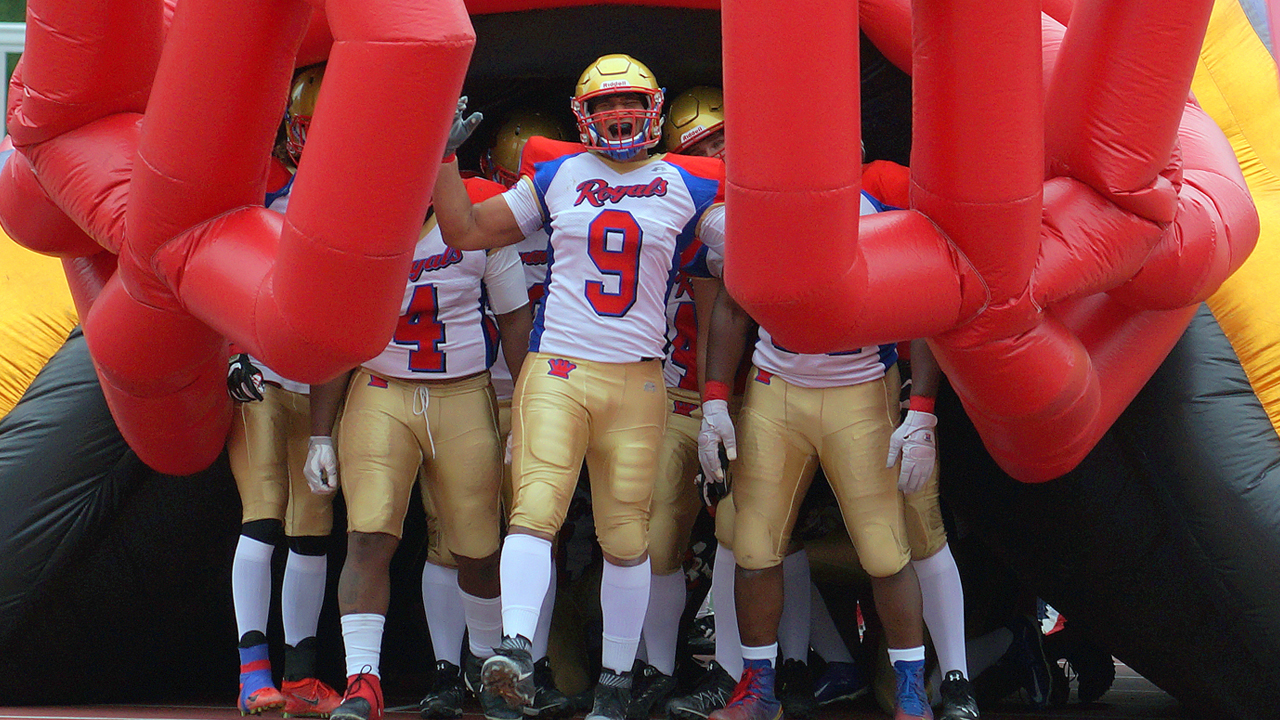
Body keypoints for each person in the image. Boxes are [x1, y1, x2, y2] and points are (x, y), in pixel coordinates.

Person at [430, 54, 726, 720]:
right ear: (581, 115)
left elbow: (749, 259)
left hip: (638, 379)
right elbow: (464, 230)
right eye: (603, 105)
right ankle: (515, 647)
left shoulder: (689, 181)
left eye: (629, 103)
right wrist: (443, 161)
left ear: (653, 110)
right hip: (558, 367)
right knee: (534, 509)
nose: (617, 115)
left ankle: (616, 682)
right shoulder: (557, 174)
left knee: (626, 536)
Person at [306, 159, 534, 720]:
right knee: (368, 535)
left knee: (478, 549)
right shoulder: (360, 229)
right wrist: (319, 434)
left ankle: (489, 671)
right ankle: (363, 681)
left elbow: (515, 320)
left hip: (463, 392)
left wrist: (527, 413)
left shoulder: (477, 219)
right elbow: (336, 336)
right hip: (381, 389)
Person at [696, 184, 932, 720]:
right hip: (777, 386)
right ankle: (758, 689)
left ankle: (911, 690)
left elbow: (925, 310)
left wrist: (922, 410)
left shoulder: (877, 214)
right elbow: (733, 306)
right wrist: (714, 401)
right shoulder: (760, 210)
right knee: (754, 544)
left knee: (883, 547)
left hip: (859, 387)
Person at [226, 63, 342, 718]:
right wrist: (233, 352)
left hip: (321, 382)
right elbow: (221, 275)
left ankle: (300, 675)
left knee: (313, 528)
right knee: (265, 513)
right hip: (265, 374)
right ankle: (253, 672)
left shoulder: (359, 200)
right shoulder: (267, 194)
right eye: (307, 129)